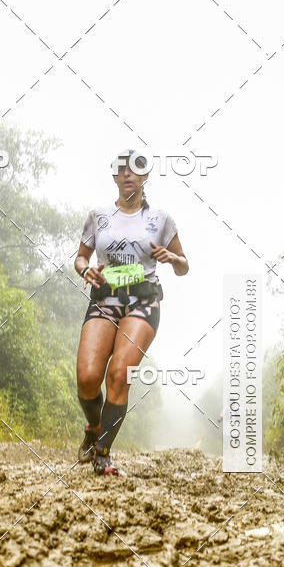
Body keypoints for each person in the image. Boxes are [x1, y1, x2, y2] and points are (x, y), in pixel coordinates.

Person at [74, 150, 189, 474]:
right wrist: (85, 271)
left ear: (145, 177)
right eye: (120, 170)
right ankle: (94, 428)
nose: (127, 174)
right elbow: (80, 257)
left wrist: (172, 258)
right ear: (114, 177)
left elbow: (184, 266)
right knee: (87, 379)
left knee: (119, 373)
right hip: (104, 299)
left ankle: (103, 454)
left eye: (134, 170)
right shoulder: (98, 215)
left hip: (144, 301)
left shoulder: (161, 219)